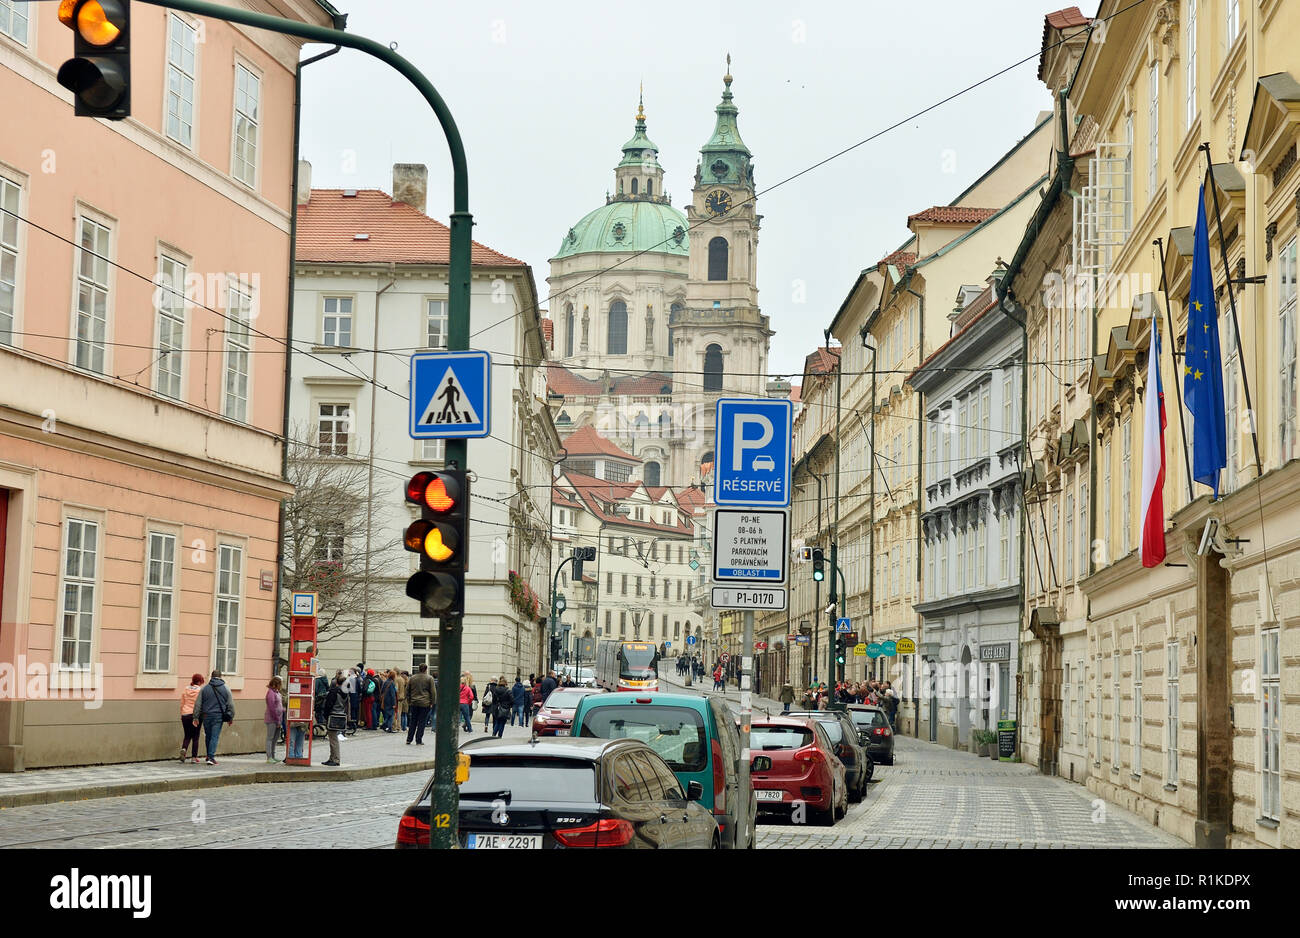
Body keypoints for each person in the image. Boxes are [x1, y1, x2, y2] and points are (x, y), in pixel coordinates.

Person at [196, 669, 234, 765]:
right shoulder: (226, 688)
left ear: (211, 677)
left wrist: (195, 717)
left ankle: (209, 755)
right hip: (218, 716)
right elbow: (231, 704)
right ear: (220, 677)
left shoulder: (204, 689)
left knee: (208, 735)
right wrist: (231, 717)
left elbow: (198, 704)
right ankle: (211, 757)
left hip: (206, 715)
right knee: (214, 736)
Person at [321, 674, 348, 766]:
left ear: (337, 682)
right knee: (333, 737)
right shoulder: (345, 692)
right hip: (340, 715)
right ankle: (332, 758)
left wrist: (325, 715)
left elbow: (328, 705)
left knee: (333, 739)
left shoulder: (334, 692)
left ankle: (335, 759)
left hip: (332, 716)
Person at [405, 664, 434, 745]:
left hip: (414, 702)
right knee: (422, 722)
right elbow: (433, 692)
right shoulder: (429, 678)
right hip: (425, 703)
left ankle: (409, 739)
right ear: (426, 669)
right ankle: (418, 739)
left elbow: (407, 690)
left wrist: (409, 701)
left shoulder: (412, 678)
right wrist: (432, 702)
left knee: (413, 721)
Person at [179, 673, 204, 763]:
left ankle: (184, 749)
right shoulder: (200, 691)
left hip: (185, 715)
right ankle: (194, 758)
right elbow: (201, 704)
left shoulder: (186, 689)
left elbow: (182, 702)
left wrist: (182, 713)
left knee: (187, 735)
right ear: (199, 681)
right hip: (195, 715)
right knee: (196, 736)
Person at [263, 676, 285, 763]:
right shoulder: (270, 693)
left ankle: (273, 755)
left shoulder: (277, 692)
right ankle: (269, 757)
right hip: (272, 719)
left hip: (278, 719)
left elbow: (278, 706)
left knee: (275, 739)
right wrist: (277, 720)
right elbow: (272, 708)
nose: (281, 686)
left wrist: (283, 710)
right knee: (270, 738)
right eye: (280, 684)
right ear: (276, 684)